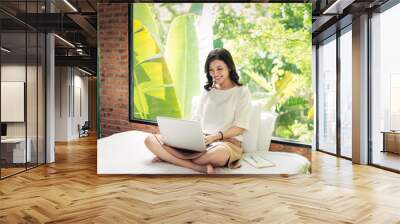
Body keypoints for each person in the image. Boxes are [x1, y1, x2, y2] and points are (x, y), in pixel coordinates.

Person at [144, 48, 251, 174]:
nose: (215, 73)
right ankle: (197, 167)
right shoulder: (207, 91)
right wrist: (186, 136)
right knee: (149, 140)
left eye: (219, 68)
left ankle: (168, 158)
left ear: (229, 67)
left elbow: (240, 127)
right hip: (201, 140)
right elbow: (196, 119)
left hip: (226, 143)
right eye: (211, 70)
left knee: (218, 154)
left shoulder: (242, 92)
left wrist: (215, 137)